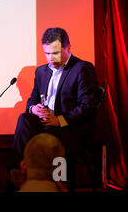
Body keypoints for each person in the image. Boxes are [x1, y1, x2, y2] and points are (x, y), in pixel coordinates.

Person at [12, 27, 99, 187]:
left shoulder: (82, 68)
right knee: (24, 119)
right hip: (45, 124)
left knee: (51, 135)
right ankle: (21, 171)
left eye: (56, 53)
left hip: (69, 127)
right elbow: (32, 99)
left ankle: (58, 184)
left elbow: (88, 106)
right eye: (47, 53)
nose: (51, 58)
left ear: (68, 48)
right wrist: (33, 109)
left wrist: (59, 120)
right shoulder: (41, 72)